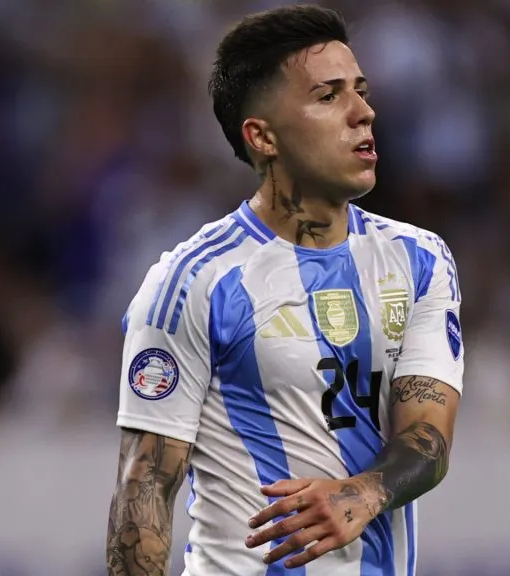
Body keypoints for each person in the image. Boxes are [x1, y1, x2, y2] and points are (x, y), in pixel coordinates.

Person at [106, 5, 464, 575]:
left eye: (361, 91)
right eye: (329, 96)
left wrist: (362, 493)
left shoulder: (418, 260)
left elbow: (428, 437)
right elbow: (143, 489)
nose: (363, 113)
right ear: (262, 136)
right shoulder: (194, 282)